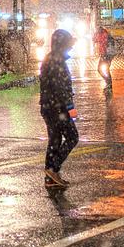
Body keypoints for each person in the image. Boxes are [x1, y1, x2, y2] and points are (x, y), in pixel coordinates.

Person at [40, 29, 79, 189]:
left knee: (55, 139)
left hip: (49, 107)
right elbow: (61, 88)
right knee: (72, 137)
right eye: (68, 44)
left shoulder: (51, 59)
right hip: (58, 108)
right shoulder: (56, 61)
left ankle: (51, 178)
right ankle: (52, 169)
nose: (70, 47)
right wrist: (70, 109)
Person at [93, 25, 116, 94]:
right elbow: (95, 40)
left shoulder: (103, 35)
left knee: (100, 69)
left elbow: (94, 40)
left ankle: (108, 84)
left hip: (106, 55)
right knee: (105, 69)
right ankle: (108, 84)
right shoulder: (105, 34)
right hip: (107, 55)